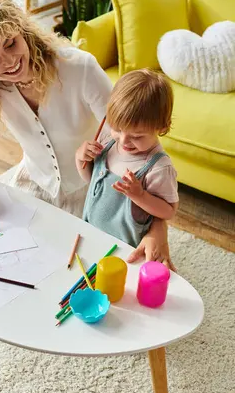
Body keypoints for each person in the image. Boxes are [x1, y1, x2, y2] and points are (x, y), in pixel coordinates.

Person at [0, 0, 174, 269]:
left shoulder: (78, 68)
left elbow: (138, 141)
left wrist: (158, 228)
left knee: (97, 269)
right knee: (10, 259)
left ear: (21, 31)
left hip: (94, 192)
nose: (9, 62)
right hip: (36, 184)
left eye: (11, 44)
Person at [76, 69, 179, 256]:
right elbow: (92, 182)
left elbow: (169, 211)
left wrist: (140, 196)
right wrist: (80, 159)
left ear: (162, 128)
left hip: (126, 250)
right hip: (91, 235)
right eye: (117, 128)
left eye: (137, 136)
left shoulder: (158, 168)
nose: (123, 141)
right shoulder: (108, 142)